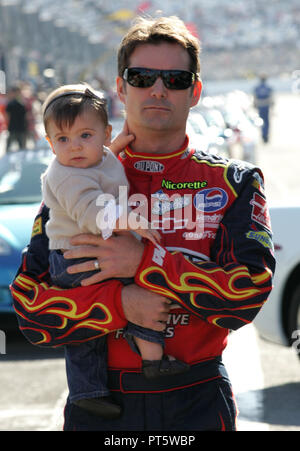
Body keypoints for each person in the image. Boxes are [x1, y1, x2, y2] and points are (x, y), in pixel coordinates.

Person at [10, 16, 275, 431]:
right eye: (142, 76)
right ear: (120, 87)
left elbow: (246, 295)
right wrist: (120, 305)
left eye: (175, 78)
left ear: (195, 91)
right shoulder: (75, 175)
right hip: (101, 403)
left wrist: (144, 263)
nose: (157, 88)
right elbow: (30, 312)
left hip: (196, 398)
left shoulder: (233, 182)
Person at [40, 82, 188, 419]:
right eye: (62, 140)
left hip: (95, 249)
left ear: (105, 134)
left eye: (85, 136)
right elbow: (91, 210)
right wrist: (132, 221)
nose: (75, 147)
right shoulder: (65, 174)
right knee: (89, 329)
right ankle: (90, 390)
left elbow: (104, 169)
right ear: (50, 144)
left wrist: (115, 148)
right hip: (73, 256)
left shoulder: (100, 157)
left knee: (141, 288)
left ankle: (151, 360)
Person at [5, 85, 28, 151]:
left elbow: (7, 116)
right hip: (21, 127)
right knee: (22, 148)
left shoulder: (10, 103)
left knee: (8, 148)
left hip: (13, 127)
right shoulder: (22, 103)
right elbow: (26, 116)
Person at [253, 75, 274, 143]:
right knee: (267, 121)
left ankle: (263, 134)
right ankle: (265, 135)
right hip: (266, 106)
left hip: (260, 106)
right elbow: (271, 98)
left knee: (261, 121)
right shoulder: (268, 87)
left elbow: (255, 97)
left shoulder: (257, 88)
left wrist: (255, 104)